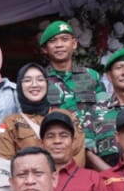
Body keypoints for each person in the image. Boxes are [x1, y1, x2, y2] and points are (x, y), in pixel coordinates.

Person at [38, 20, 108, 166]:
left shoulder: (91, 76)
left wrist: (98, 142)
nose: (59, 45)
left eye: (64, 39)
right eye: (53, 41)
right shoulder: (38, 80)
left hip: (94, 152)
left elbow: (104, 112)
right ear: (45, 48)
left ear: (74, 44)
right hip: (57, 154)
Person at [0, 63, 85, 167]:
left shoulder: (67, 117)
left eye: (40, 80)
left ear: (47, 84)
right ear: (19, 86)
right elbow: (4, 163)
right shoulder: (9, 123)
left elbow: (78, 159)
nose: (34, 84)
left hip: (66, 182)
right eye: (28, 80)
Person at [39, 111, 112, 191]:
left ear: (73, 142)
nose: (57, 141)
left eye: (64, 136)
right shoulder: (32, 179)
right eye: (50, 136)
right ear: (42, 143)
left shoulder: (92, 178)